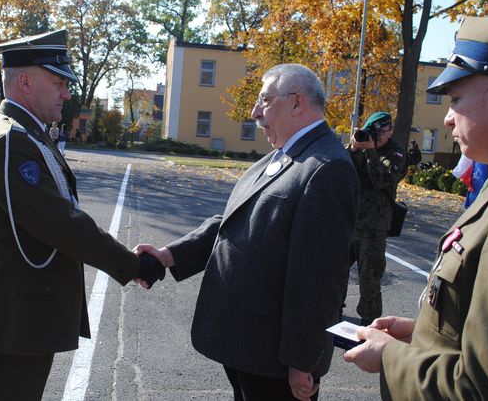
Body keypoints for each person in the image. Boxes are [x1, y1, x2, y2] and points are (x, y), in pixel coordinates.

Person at [136, 63, 359, 401]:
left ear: (297, 103)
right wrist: (171, 255)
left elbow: (319, 279)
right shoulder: (283, 156)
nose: (255, 112)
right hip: (248, 345)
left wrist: (303, 361)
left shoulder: (327, 168)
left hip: (276, 359)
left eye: (265, 101)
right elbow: (234, 221)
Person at [0, 29, 160, 401]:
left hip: (22, 315)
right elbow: (60, 223)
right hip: (14, 319)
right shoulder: (11, 141)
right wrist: (132, 265)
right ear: (24, 81)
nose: (67, 93)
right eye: (58, 83)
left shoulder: (26, 134)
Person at [344, 16, 488, 400]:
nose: (447, 117)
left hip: (376, 227)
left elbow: (481, 387)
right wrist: (422, 333)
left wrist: (390, 356)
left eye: (455, 99)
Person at [341, 111, 407, 326]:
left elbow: (382, 180)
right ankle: (333, 309)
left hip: (374, 226)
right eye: (374, 133)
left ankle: (370, 322)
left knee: (369, 277)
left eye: (382, 133)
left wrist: (370, 152)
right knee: (335, 271)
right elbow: (339, 169)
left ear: (390, 131)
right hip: (349, 220)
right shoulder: (361, 147)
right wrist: (353, 149)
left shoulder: (395, 153)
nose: (377, 137)